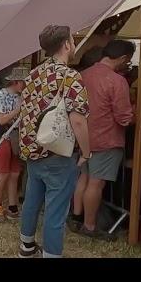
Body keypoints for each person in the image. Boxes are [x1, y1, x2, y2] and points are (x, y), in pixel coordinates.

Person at [17, 25, 91, 258]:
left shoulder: (33, 73)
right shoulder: (70, 76)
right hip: (58, 151)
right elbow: (78, 120)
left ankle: (26, 245)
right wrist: (87, 152)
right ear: (66, 45)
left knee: (32, 200)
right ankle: (51, 254)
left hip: (32, 146)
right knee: (56, 210)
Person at [70, 40, 135, 240]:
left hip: (84, 137)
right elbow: (124, 117)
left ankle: (77, 218)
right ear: (123, 58)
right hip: (107, 139)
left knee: (84, 178)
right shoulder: (117, 81)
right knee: (96, 184)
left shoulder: (84, 75)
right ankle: (90, 227)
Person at [0, 67, 28, 222]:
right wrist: (18, 110)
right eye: (24, 83)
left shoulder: (23, 95)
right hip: (4, 137)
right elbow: (1, 120)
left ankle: (12, 206)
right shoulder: (2, 94)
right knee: (4, 173)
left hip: (17, 138)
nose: (25, 86)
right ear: (16, 82)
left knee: (15, 173)